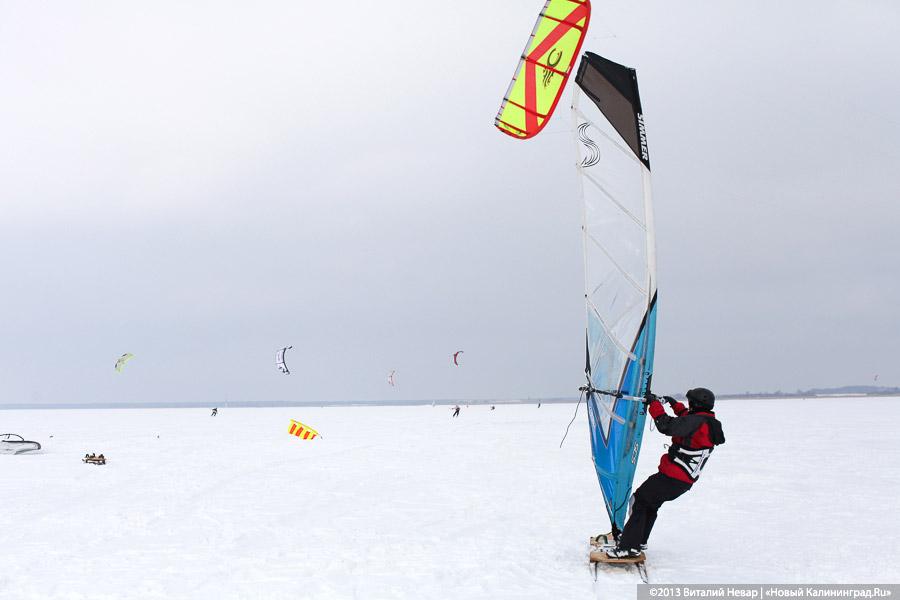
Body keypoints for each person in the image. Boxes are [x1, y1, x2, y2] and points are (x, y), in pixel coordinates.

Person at [606, 388, 725, 558]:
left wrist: (653, 404)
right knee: (650, 504)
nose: (688, 406)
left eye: (690, 402)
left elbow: (665, 425)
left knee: (639, 500)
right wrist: (674, 404)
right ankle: (638, 541)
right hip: (682, 481)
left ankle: (629, 548)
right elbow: (687, 418)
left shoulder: (696, 422)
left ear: (696, 405)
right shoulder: (709, 422)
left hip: (672, 477)